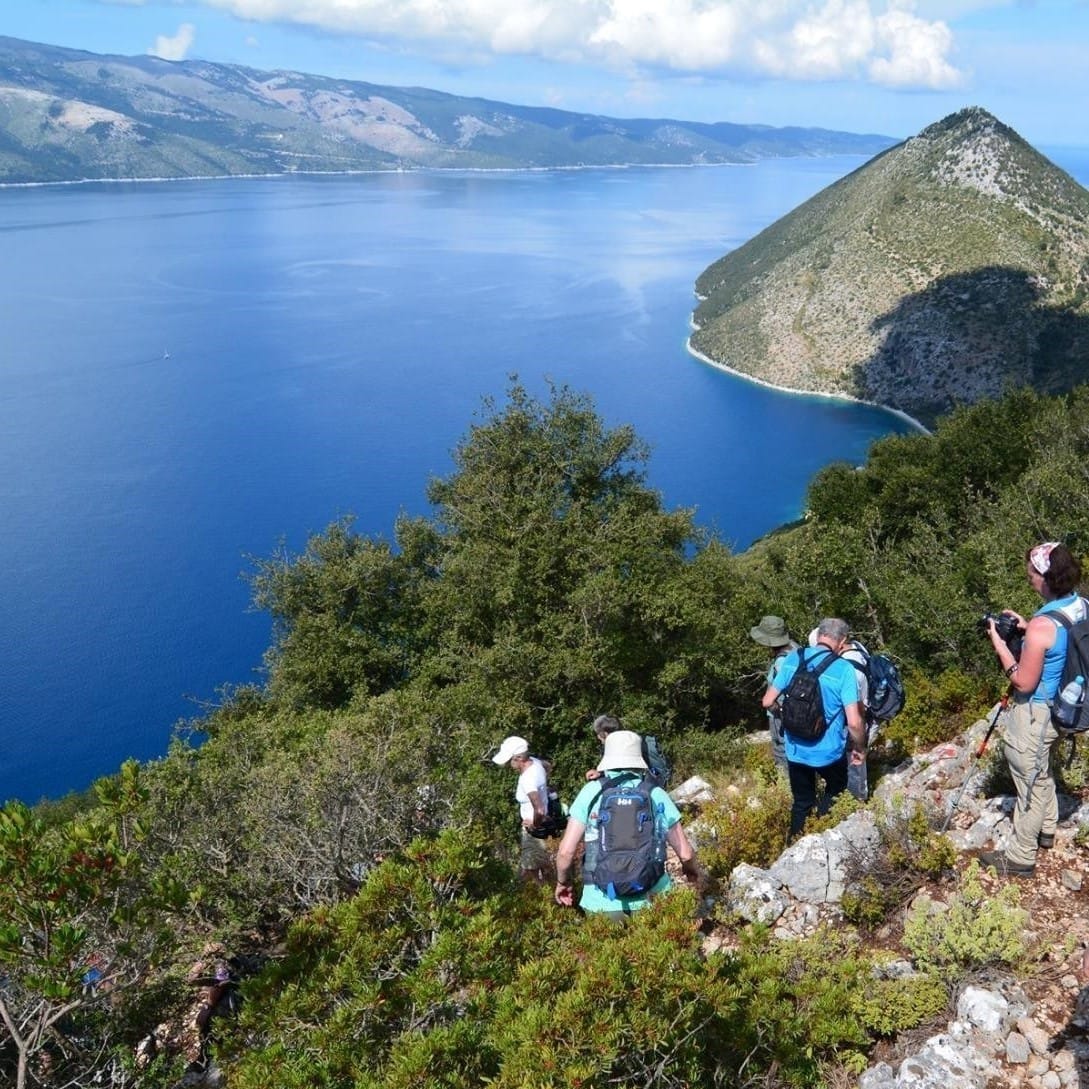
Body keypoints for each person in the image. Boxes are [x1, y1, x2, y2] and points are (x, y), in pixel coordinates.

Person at [982, 541, 1086, 878]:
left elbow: (1023, 682)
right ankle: (1047, 831)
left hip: (1036, 712)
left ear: (1046, 577)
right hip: (1064, 704)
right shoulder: (1080, 604)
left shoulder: (1043, 626)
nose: (1029, 578)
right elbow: (1061, 641)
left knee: (1028, 778)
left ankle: (1020, 857)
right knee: (1042, 769)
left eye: (1031, 573)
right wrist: (1028, 629)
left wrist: (1001, 646)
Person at [554, 730, 703, 918]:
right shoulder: (655, 794)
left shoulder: (590, 793)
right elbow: (686, 853)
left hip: (600, 902)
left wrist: (563, 883)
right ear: (639, 759)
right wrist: (691, 873)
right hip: (652, 899)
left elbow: (565, 852)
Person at [762, 617, 866, 840]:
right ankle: (822, 830)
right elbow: (855, 722)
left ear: (819, 636)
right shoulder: (844, 669)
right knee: (836, 787)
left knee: (801, 802)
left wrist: (784, 714)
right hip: (829, 752)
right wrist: (859, 746)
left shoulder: (793, 659)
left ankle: (794, 846)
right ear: (842, 641)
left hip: (795, 749)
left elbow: (767, 701)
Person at [809, 626, 873, 801]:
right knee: (855, 768)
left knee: (854, 767)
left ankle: (854, 805)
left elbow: (858, 708)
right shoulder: (858, 650)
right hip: (860, 720)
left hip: (854, 724)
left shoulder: (849, 669)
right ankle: (855, 799)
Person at [492, 735, 556, 882]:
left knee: (530, 871)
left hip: (534, 831)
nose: (509, 765)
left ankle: (540, 900)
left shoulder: (528, 779)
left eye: (510, 760)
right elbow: (547, 766)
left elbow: (538, 809)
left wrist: (534, 825)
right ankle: (549, 898)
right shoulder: (536, 763)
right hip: (544, 826)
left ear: (519, 758)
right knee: (544, 869)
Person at [750, 615, 799, 774]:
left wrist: (776, 709)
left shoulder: (781, 662)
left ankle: (786, 790)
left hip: (781, 715)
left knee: (781, 751)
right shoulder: (796, 648)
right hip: (797, 714)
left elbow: (777, 695)